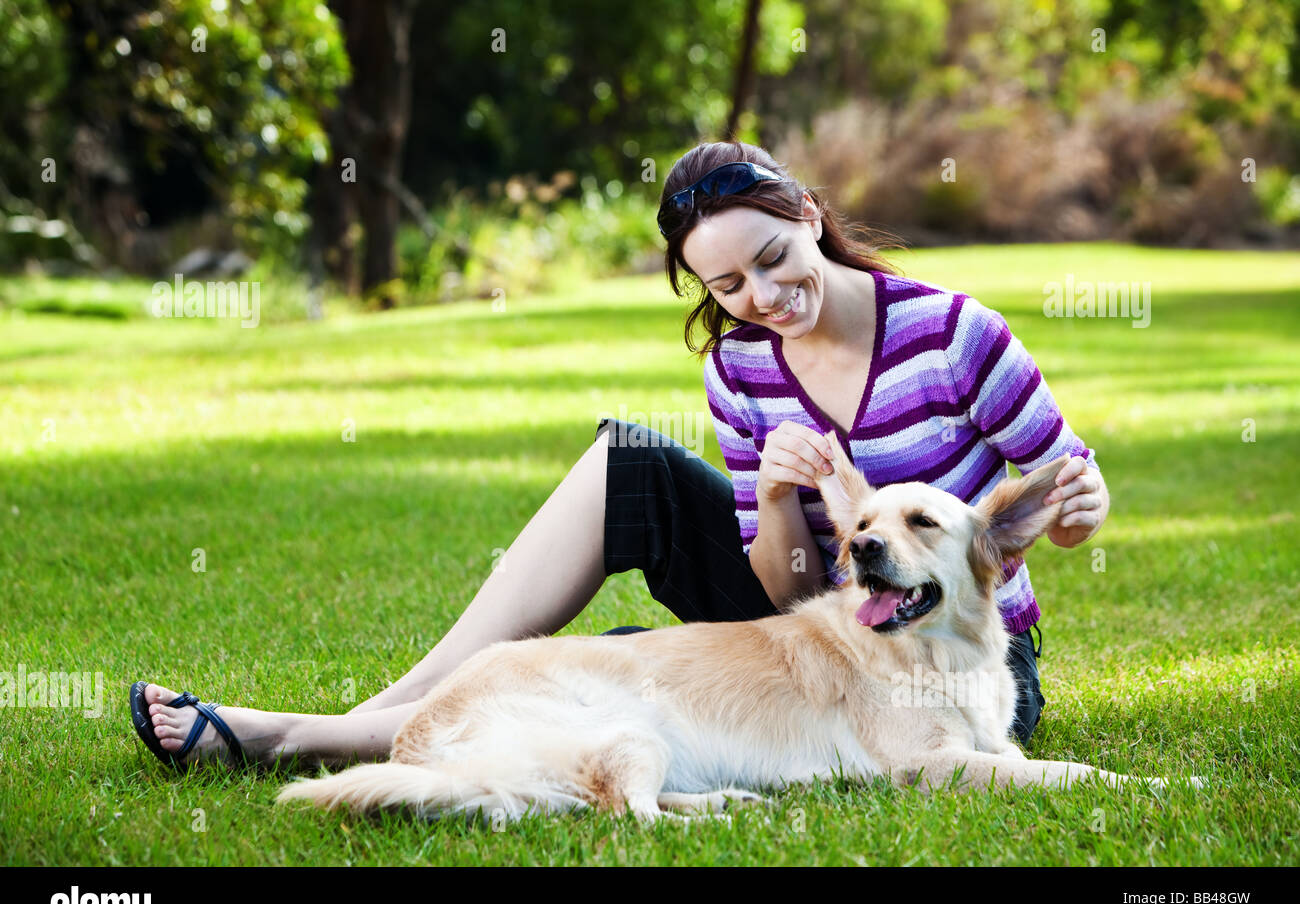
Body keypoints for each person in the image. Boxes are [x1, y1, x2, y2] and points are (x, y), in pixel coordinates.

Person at [131, 141, 1108, 771]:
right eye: (727, 283)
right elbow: (786, 583)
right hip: (812, 626)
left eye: (772, 257)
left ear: (808, 215)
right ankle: (382, 712)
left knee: (606, 671)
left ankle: (313, 738)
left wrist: (1072, 505)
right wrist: (778, 498)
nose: (763, 295)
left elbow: (1061, 504)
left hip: (953, 656)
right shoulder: (738, 366)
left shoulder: (953, 335)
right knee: (627, 462)